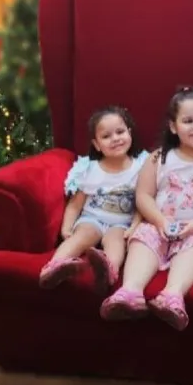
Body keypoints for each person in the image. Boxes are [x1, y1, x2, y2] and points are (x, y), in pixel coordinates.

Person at [101, 86, 193, 331]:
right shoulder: (160, 157)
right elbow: (143, 195)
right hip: (159, 225)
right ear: (173, 127)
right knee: (142, 237)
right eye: (188, 121)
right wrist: (159, 221)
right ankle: (130, 291)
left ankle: (172, 295)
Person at [39, 106, 147, 291]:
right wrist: (66, 229)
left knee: (116, 242)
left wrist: (135, 226)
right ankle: (54, 268)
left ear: (129, 133)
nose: (115, 139)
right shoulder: (89, 168)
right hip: (91, 219)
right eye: (106, 136)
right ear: (97, 144)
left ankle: (108, 271)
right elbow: (75, 204)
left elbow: (142, 203)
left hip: (121, 224)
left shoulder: (141, 167)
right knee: (82, 236)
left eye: (120, 132)